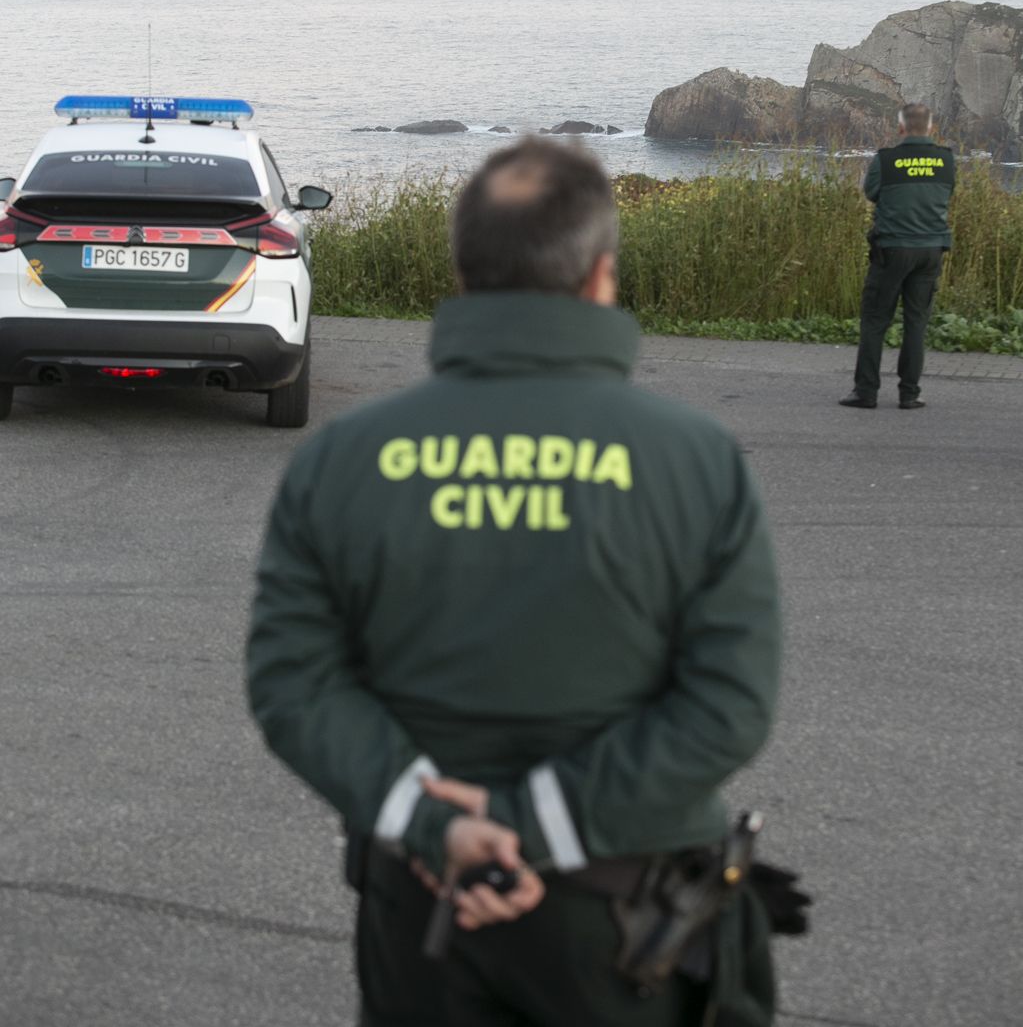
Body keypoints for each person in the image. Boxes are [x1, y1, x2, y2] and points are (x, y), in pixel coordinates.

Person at [247, 136, 782, 1026]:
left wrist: (438, 826)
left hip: (424, 909)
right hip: (628, 919)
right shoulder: (696, 460)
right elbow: (728, 702)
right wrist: (538, 823)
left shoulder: (344, 458)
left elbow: (291, 680)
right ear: (601, 275)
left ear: (462, 274)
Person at [841, 103, 955, 410]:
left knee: (875, 319)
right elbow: (947, 191)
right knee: (917, 321)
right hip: (931, 249)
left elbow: (871, 192)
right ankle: (910, 393)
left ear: (901, 128)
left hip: (892, 248)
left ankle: (866, 391)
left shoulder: (886, 159)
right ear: (930, 128)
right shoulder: (946, 160)